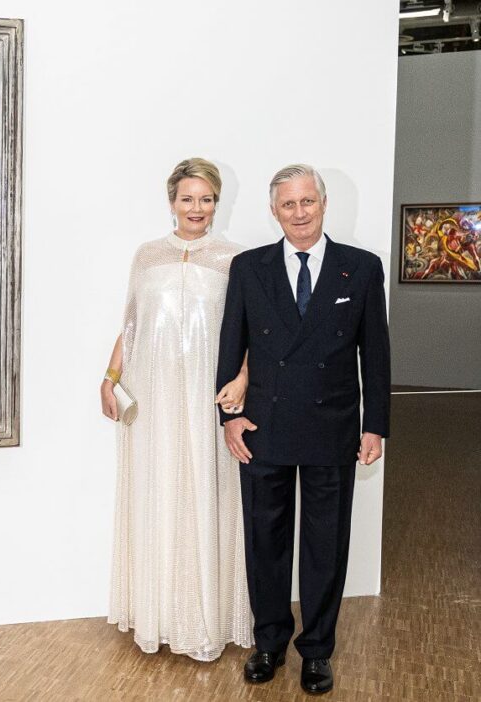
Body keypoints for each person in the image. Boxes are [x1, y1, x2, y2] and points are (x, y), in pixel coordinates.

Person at [215, 164, 391, 694]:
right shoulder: (250, 268)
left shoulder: (359, 268)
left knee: (324, 544)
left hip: (332, 428)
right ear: (274, 210)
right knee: (264, 542)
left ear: (324, 203)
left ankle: (317, 650)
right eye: (288, 204)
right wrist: (229, 415)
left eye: (307, 202)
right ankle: (268, 642)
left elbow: (376, 356)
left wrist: (374, 425)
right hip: (263, 427)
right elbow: (231, 344)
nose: (299, 213)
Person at [103, 158, 253, 662]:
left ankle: (208, 617)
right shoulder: (146, 256)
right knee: (161, 491)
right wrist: (111, 378)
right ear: (172, 201)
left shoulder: (236, 259)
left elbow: (252, 333)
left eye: (206, 199)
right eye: (188, 198)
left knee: (209, 492)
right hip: (156, 397)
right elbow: (132, 323)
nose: (197, 208)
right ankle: (160, 615)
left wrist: (243, 379)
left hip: (207, 397)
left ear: (217, 203)